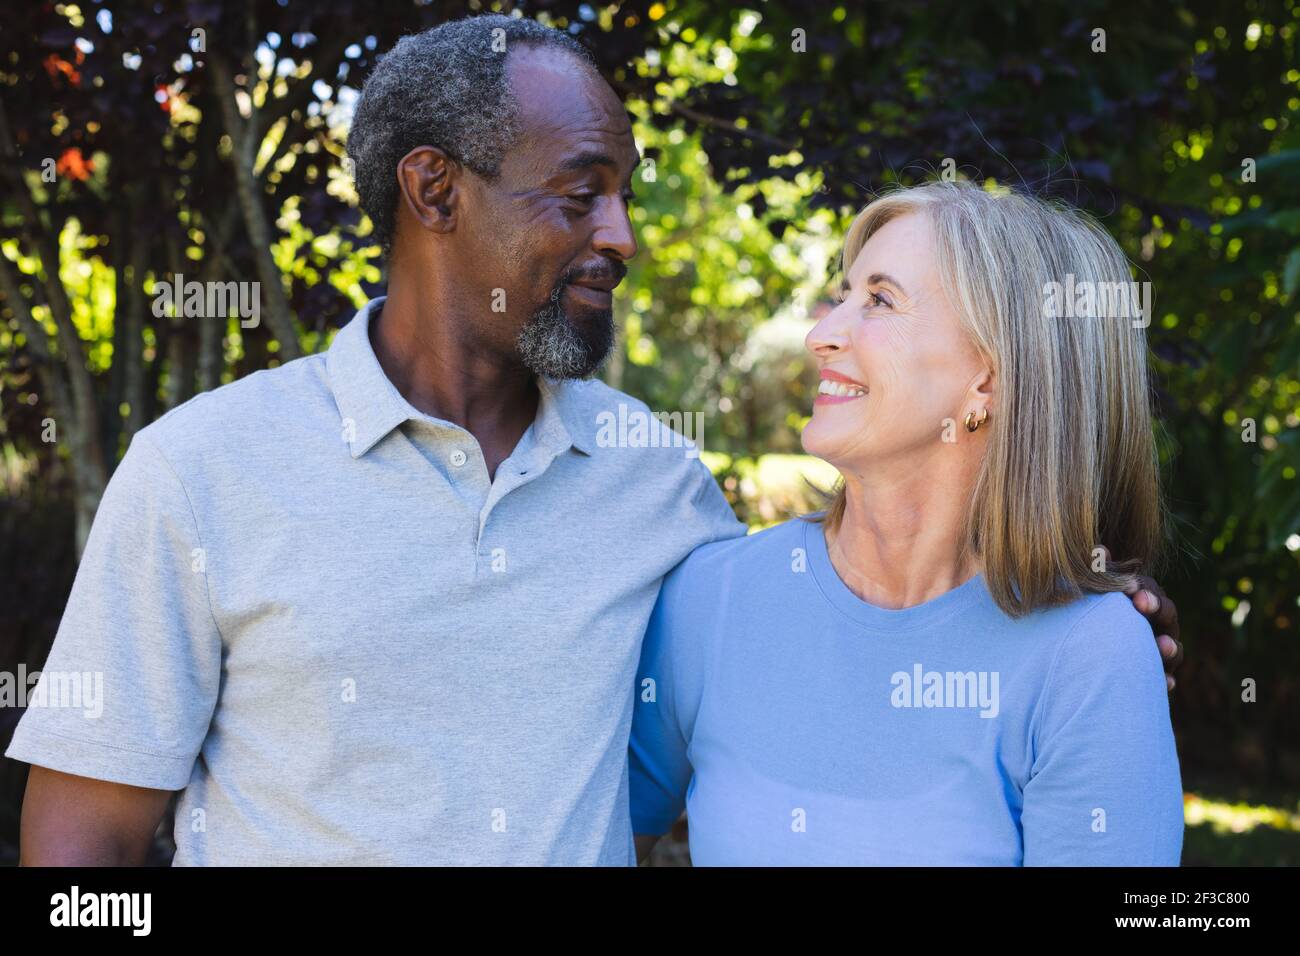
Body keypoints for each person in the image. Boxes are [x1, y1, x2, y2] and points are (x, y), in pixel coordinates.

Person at [6, 17, 1182, 866]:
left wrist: (1090, 631)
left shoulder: (662, 489)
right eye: (581, 193)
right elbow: (79, 846)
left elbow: (812, 674)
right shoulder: (200, 469)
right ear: (433, 190)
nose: (620, 236)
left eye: (625, 194)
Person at [630, 181, 1185, 865]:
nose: (821, 334)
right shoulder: (708, 600)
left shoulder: (1092, 656)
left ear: (988, 376)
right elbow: (594, 839)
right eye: (843, 295)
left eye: (879, 301)